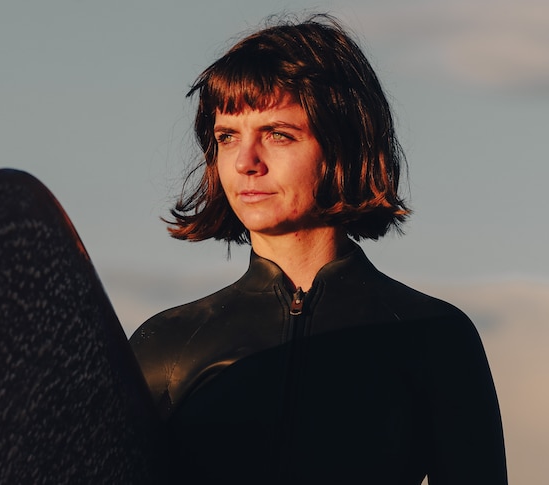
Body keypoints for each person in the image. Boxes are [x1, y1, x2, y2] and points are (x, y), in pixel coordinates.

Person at [129, 14, 507, 485]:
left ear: (343, 146)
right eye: (227, 137)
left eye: (277, 134)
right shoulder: (165, 344)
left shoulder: (433, 336)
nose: (246, 162)